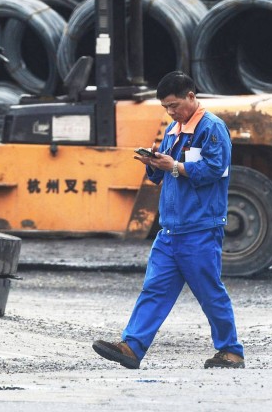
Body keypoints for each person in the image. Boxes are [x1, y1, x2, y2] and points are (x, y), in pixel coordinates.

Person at [92, 71, 245, 370]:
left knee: (210, 292)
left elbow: (215, 169)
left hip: (200, 228)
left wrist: (173, 165)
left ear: (191, 96)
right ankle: (132, 347)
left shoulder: (212, 127)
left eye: (174, 105)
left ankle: (231, 350)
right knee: (154, 288)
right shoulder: (174, 129)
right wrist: (154, 163)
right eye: (165, 107)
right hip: (171, 230)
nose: (170, 111)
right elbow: (165, 173)